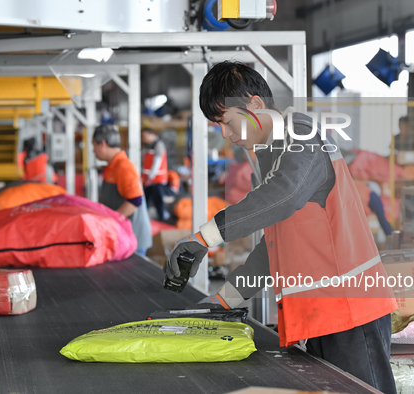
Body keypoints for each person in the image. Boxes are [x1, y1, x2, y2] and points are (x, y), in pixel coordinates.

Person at [165, 61, 397, 394]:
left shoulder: (301, 136)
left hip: (350, 311)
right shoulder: (272, 154)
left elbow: (284, 196)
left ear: (256, 105)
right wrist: (225, 301)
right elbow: (276, 246)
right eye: (219, 125)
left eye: (227, 122)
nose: (226, 135)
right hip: (322, 315)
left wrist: (205, 238)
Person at [93, 125, 152, 255]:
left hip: (133, 237)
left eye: (94, 146)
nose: (93, 151)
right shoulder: (111, 166)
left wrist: (110, 221)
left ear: (102, 144)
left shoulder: (124, 167)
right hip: (123, 234)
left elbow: (135, 201)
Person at [141, 128, 170, 221]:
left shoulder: (158, 145)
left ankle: (162, 221)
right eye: (142, 137)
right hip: (148, 179)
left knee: (158, 201)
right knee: (146, 201)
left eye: (145, 136)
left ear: (152, 134)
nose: (144, 139)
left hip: (157, 180)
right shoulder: (147, 146)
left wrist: (150, 177)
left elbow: (157, 162)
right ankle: (144, 220)